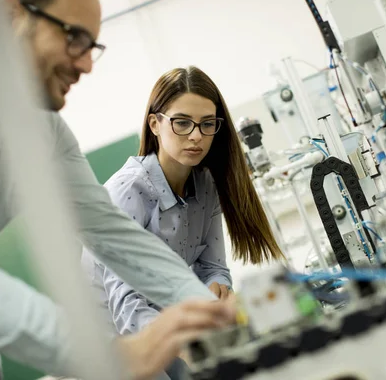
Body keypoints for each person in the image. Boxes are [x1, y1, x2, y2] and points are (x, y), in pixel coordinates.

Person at [0, 0, 235, 379]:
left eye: (91, 46)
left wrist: (208, 317)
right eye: (74, 37)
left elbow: (114, 234)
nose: (87, 65)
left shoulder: (47, 132)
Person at [81, 67, 284, 377]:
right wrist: (188, 341)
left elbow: (213, 268)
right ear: (155, 124)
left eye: (207, 125)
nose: (196, 136)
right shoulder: (127, 193)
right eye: (182, 123)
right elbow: (127, 305)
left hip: (169, 324)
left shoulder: (205, 185)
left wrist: (217, 291)